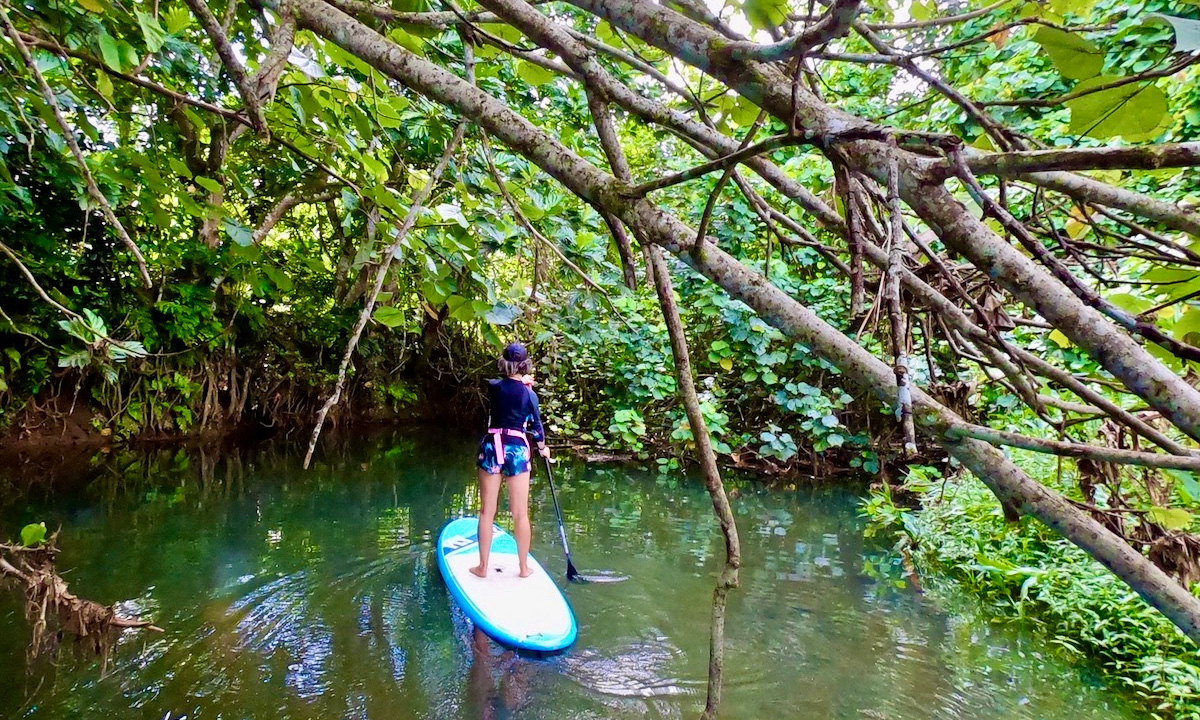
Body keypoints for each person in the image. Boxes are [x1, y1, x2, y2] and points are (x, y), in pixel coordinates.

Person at [471, 342, 550, 579]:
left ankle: (482, 567)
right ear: (526, 365)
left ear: (503, 363)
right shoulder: (529, 394)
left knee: (487, 512)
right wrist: (543, 449)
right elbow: (537, 428)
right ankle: (524, 568)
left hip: (493, 447)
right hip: (517, 449)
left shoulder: (493, 387)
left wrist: (519, 381)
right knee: (520, 514)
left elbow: (500, 384)